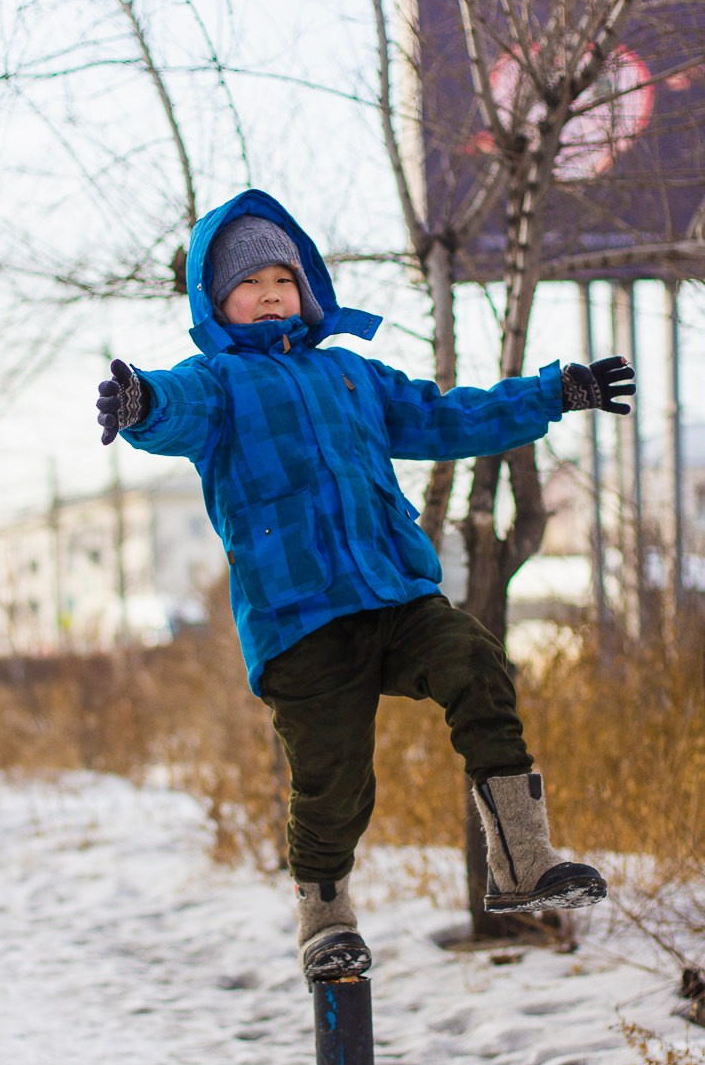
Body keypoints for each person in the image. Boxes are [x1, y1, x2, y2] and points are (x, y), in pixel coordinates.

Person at [95, 189, 635, 984]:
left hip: (393, 594)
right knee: (333, 782)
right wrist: (142, 400)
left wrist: (553, 392)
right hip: (300, 618)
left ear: (306, 285)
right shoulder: (218, 384)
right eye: (249, 283)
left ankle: (522, 859)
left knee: (476, 663)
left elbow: (448, 416)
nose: (270, 293)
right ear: (216, 303)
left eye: (283, 276)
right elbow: (174, 409)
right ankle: (325, 918)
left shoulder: (351, 375)